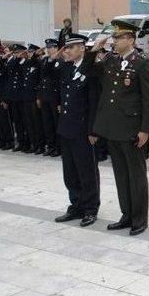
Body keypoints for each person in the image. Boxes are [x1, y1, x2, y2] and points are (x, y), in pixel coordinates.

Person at [89, 20, 149, 235]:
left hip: (132, 129)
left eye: (119, 38)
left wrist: (145, 129)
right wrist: (94, 50)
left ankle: (139, 218)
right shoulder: (110, 61)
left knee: (136, 175)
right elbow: (89, 71)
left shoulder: (142, 63)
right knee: (120, 174)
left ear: (130, 39)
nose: (114, 41)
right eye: (114, 37)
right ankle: (126, 214)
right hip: (113, 128)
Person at [53, 33, 101, 227]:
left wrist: (93, 131)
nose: (67, 51)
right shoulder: (66, 68)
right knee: (70, 171)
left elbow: (94, 102)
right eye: (66, 48)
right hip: (66, 127)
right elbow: (49, 69)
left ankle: (90, 208)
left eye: (71, 47)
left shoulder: (92, 70)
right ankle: (76, 205)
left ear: (82, 48)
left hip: (83, 130)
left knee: (87, 171)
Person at [18, 45, 45, 154]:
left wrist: (39, 96)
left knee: (37, 123)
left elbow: (39, 81)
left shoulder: (38, 63)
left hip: (34, 97)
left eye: (31, 52)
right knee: (29, 122)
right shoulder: (27, 64)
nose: (29, 54)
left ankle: (41, 145)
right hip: (26, 97)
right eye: (28, 52)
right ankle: (34, 144)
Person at [38, 39, 61, 157]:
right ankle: (51, 146)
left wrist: (60, 102)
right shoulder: (45, 60)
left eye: (51, 47)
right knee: (47, 123)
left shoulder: (61, 60)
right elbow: (42, 77)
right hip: (45, 96)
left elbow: (59, 80)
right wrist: (39, 96)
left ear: (56, 48)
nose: (49, 49)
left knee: (56, 123)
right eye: (48, 47)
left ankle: (58, 147)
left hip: (55, 97)